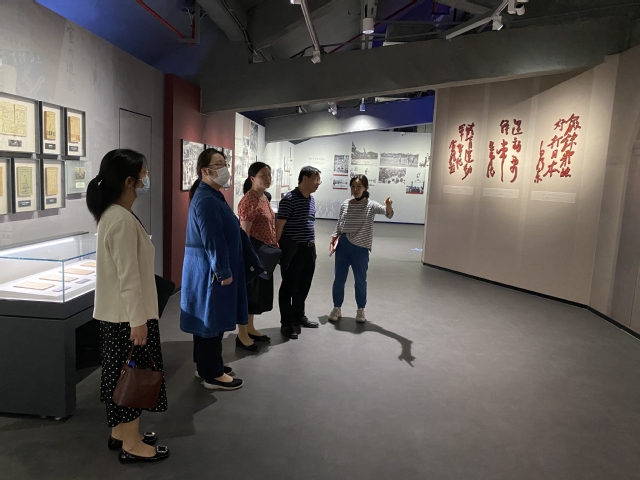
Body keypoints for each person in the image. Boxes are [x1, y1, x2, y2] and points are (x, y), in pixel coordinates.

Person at [86, 149, 169, 464]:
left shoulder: (116, 213)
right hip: (127, 317)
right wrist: (138, 321)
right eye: (143, 174)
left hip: (119, 316)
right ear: (129, 181)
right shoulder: (119, 219)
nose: (147, 179)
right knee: (132, 377)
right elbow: (128, 277)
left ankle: (121, 432)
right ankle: (132, 443)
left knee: (118, 374)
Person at [180, 148, 245, 391]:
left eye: (224, 162)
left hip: (206, 267)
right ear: (204, 171)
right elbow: (212, 238)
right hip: (210, 270)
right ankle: (213, 374)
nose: (224, 168)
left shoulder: (211, 194)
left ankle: (206, 365)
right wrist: (222, 270)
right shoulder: (206, 199)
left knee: (207, 319)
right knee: (211, 320)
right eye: (218, 164)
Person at [328, 175, 394, 323]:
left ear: (365, 188)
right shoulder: (345, 204)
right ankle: (337, 308)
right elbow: (339, 224)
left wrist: (388, 206)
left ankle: (360, 310)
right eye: (353, 186)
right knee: (339, 279)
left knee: (360, 280)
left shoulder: (371, 205)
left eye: (359, 186)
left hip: (361, 248)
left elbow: (387, 213)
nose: (356, 189)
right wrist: (334, 237)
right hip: (343, 245)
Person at [276, 166, 322, 339]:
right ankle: (286, 323)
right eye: (316, 179)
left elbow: (311, 223)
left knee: (304, 285)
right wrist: (277, 249)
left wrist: (313, 245)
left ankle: (298, 316)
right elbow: (279, 226)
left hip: (308, 249)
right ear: (305, 178)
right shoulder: (289, 199)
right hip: (293, 249)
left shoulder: (311, 200)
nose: (318, 183)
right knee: (288, 287)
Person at [237, 162, 277, 351]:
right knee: (249, 293)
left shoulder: (263, 197)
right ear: (252, 178)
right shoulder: (249, 201)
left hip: (264, 254)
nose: (268, 178)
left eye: (269, 175)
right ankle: (242, 333)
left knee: (257, 295)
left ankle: (250, 327)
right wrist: (248, 258)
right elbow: (244, 235)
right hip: (254, 253)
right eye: (263, 175)